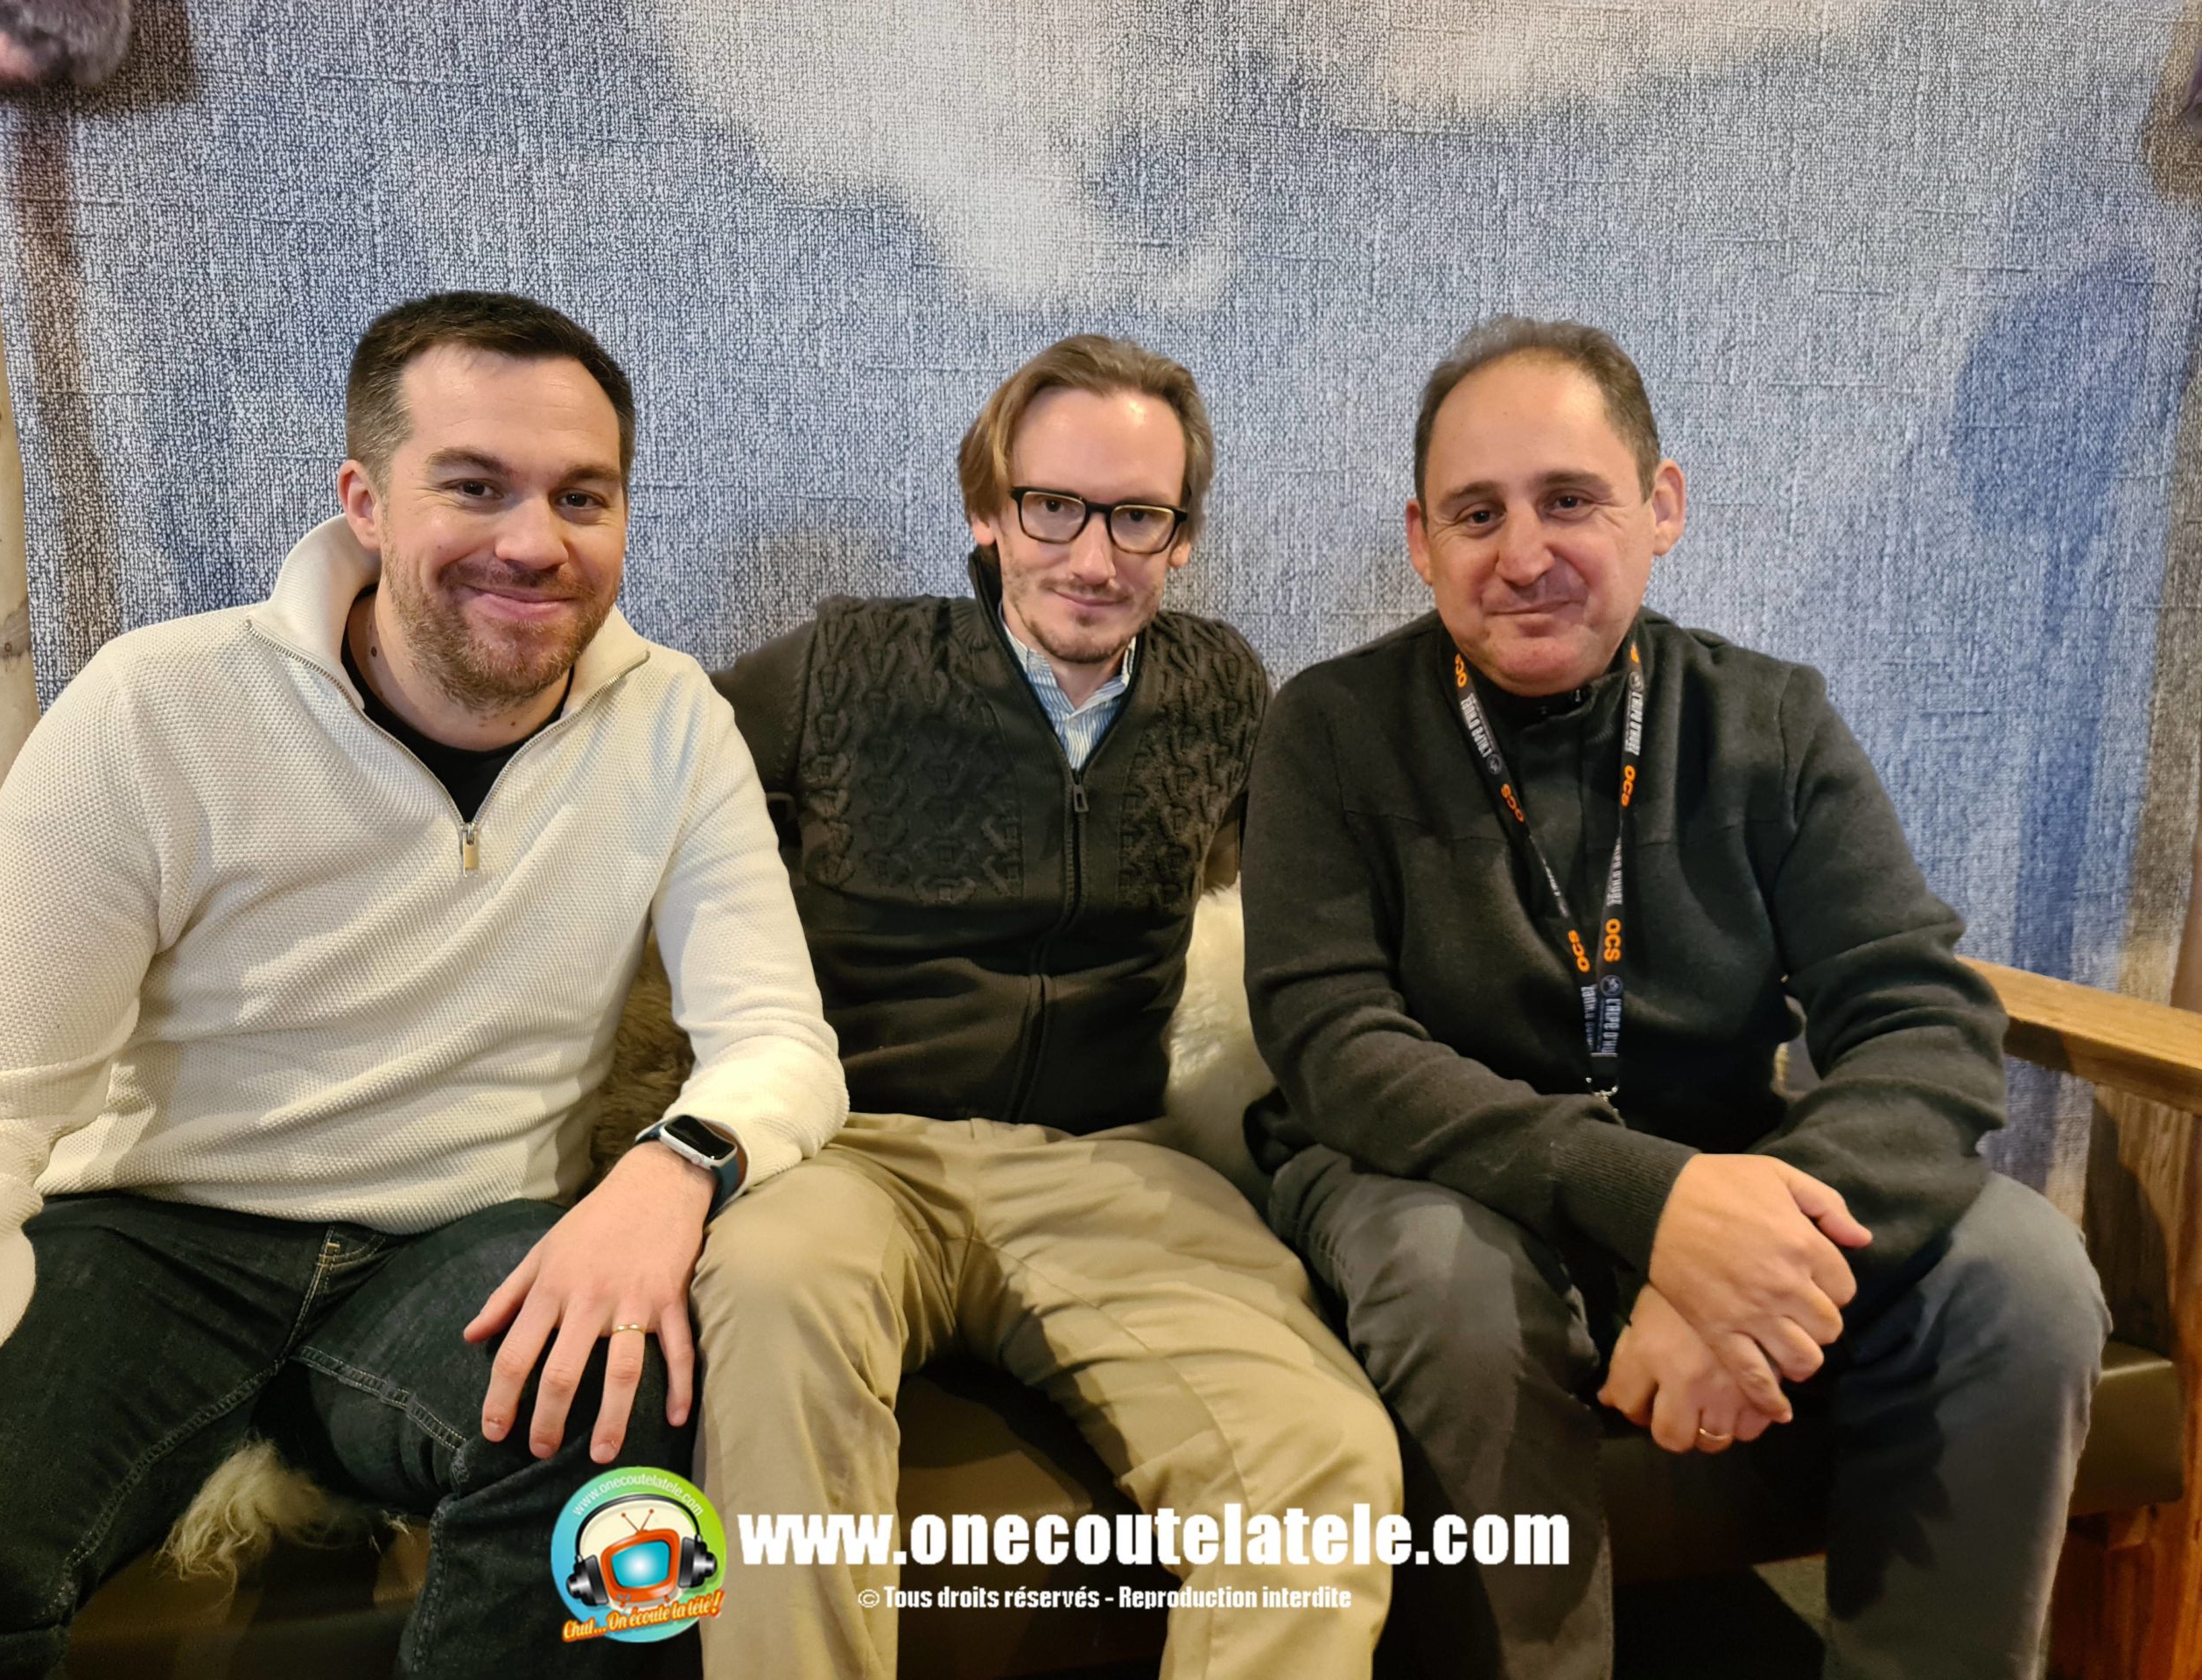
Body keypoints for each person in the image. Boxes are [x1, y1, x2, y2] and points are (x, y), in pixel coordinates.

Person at [0, 290, 846, 1678]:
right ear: (366, 504)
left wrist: (673, 1168)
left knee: (621, 1421)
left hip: (460, 1247)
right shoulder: (154, 706)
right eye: (475, 487)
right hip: (149, 1239)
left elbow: (780, 1039)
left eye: (582, 496)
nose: (535, 542)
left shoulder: (675, 721)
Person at [1241, 315, 2108, 1678]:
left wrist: (1740, 1265)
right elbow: (1336, 1046)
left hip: (1728, 1166)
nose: (1522, 552)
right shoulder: (1330, 727)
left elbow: (1917, 1018)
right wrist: (1659, 1205)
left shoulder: (1770, 720)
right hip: (1437, 1186)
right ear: (1422, 541)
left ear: (1662, 508)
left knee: (2023, 1278)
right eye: (1477, 513)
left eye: (1569, 499)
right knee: (1451, 1288)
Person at [692, 334, 1400, 1678]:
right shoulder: (843, 667)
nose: (1094, 557)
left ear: (1183, 538)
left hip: (1111, 1165)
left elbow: (1339, 897)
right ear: (987, 509)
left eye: (1139, 517)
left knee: (1322, 1457)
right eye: (1053, 507)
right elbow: (654, 809)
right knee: (770, 1297)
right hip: (852, 1152)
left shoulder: (1222, 690)